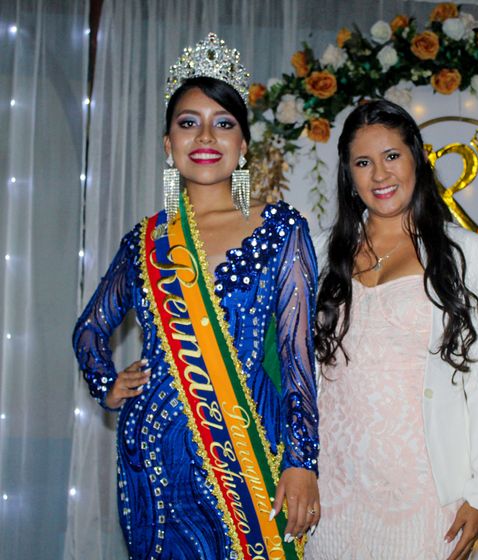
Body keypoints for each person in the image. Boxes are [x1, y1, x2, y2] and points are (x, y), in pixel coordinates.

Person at [73, 34, 320, 560]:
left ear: (244, 144)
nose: (205, 135)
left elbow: (298, 355)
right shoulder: (145, 241)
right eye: (189, 123)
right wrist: (106, 384)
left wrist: (303, 462)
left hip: (253, 456)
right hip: (155, 466)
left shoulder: (281, 229)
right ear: (168, 145)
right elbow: (89, 329)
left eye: (223, 123)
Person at [304, 100, 478, 560]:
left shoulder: (465, 254)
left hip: (423, 488)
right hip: (331, 487)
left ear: (416, 158)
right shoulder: (319, 252)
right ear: (348, 175)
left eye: (392, 156)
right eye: (363, 162)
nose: (380, 174)